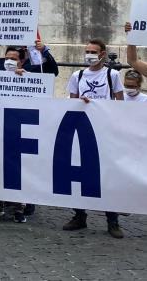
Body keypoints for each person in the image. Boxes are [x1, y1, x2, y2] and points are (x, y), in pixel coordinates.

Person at [64, 38, 124, 239]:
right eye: (87, 50)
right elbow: (72, 103)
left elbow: (120, 103)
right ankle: (79, 215)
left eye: (93, 51)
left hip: (105, 130)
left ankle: (112, 220)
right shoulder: (77, 75)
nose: (89, 54)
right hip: (83, 129)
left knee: (107, 175)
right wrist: (82, 103)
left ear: (102, 54)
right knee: (79, 173)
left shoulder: (112, 74)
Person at [0, 47, 30, 223]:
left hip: (20, 131)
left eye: (13, 58)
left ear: (21, 61)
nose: (9, 61)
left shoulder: (29, 76)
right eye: (7, 57)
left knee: (18, 170)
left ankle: (19, 208)